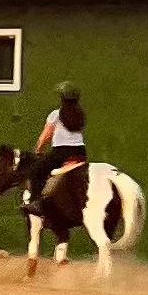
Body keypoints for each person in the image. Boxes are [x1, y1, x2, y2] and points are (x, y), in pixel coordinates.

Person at [29, 83, 91, 211]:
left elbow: (45, 136)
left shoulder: (56, 114)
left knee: (36, 170)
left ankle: (36, 202)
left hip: (61, 152)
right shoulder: (79, 114)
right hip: (80, 152)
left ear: (62, 99)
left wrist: (38, 149)